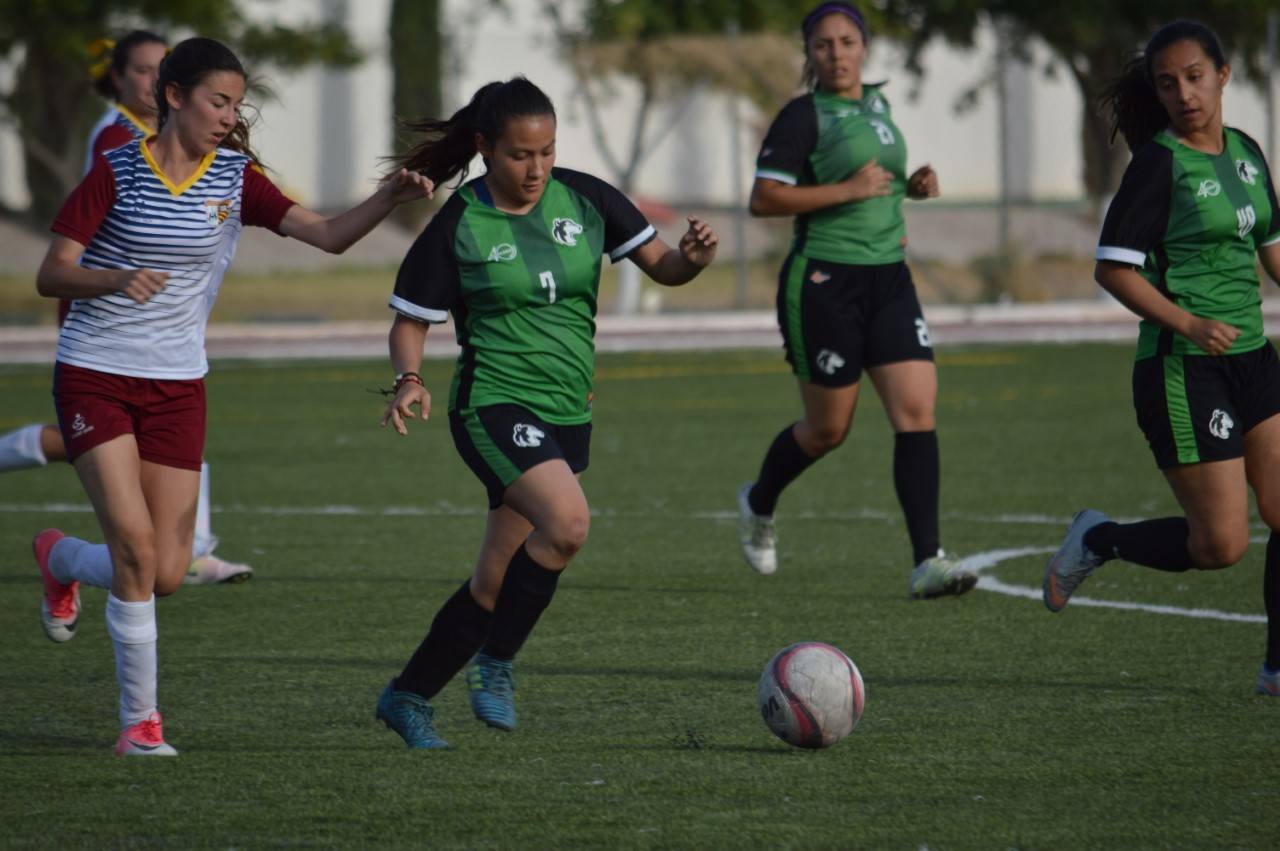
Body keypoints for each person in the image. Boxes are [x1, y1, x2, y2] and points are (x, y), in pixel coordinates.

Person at [32, 36, 434, 755]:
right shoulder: (116, 169)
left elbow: (329, 236)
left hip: (178, 386)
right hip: (96, 372)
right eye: (217, 102)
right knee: (134, 548)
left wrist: (387, 197)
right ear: (174, 96)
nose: (228, 116)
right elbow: (52, 272)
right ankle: (140, 724)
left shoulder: (234, 178)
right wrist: (113, 277)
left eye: (236, 105)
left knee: (165, 573)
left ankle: (60, 557)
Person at [375, 76, 718, 749]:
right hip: (493, 404)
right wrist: (409, 378)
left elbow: (664, 266)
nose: (536, 169)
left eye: (546, 152)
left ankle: (407, 696)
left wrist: (694, 260)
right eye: (519, 155)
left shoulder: (587, 199)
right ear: (485, 148)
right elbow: (410, 321)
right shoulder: (462, 221)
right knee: (567, 523)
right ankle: (496, 664)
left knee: (494, 582)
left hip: (567, 411)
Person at [1044, 20, 1280, 697]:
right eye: (1168, 83)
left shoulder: (1247, 152)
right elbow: (1113, 269)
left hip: (1255, 360)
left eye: (1195, 77)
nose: (1184, 94)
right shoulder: (1158, 165)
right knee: (1220, 547)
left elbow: (1271, 249)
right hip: (1183, 368)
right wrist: (1189, 322)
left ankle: (1276, 668)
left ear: (1223, 75)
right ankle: (1100, 539)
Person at [735, 1, 976, 598]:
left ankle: (928, 562)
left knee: (916, 411)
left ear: (864, 46)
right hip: (823, 282)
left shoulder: (878, 105)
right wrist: (847, 189)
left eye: (846, 41)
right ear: (809, 54)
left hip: (889, 278)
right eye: (823, 45)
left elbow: (878, 186)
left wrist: (911, 188)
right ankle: (759, 501)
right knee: (827, 431)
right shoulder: (803, 116)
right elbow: (764, 199)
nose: (836, 54)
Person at [0, 30, 250, 585]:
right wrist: (118, 281)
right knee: (104, 461)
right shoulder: (117, 143)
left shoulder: (197, 151)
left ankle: (172, 553)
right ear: (120, 79)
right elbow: (79, 248)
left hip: (163, 336)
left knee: (157, 462)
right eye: (142, 70)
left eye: (160, 67)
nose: (152, 80)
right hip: (107, 322)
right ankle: (184, 550)